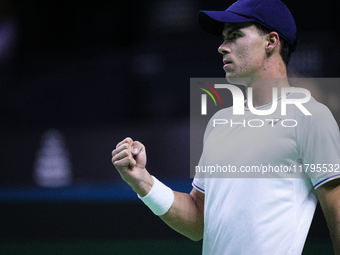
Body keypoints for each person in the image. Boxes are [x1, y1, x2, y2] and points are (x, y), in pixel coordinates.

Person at [112, 0, 340, 254]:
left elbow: (337, 211)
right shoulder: (219, 123)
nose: (222, 47)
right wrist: (143, 181)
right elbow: (198, 221)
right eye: (223, 38)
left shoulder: (311, 117)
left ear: (271, 41)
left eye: (235, 36)